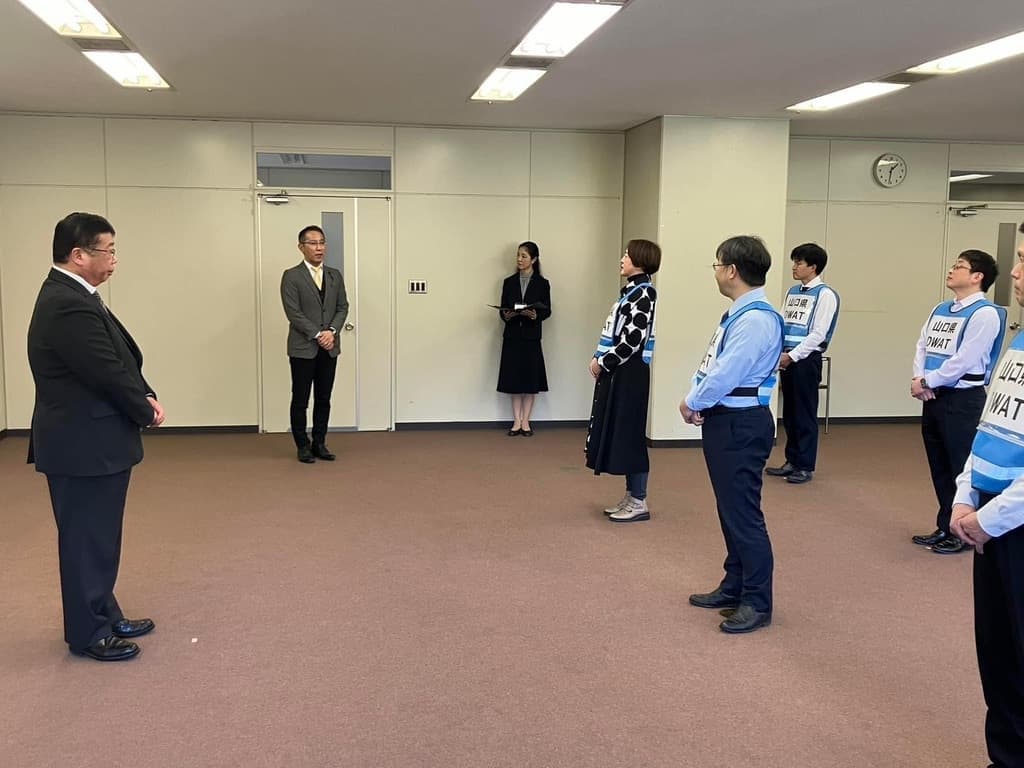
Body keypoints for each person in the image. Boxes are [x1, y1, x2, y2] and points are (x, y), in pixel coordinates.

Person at [27, 212, 165, 662]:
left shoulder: (76, 295)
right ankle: (88, 633)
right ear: (78, 255)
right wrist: (143, 408)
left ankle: (105, 612)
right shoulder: (66, 303)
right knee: (86, 541)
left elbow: (119, 358)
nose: (114, 259)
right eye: (108, 251)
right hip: (82, 445)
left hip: (92, 441)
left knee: (99, 537)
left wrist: (145, 392)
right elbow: (104, 371)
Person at [950, 221, 1024, 767]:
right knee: (998, 654)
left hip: (1009, 522)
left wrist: (990, 518)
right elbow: (991, 427)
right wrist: (963, 497)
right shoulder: (1018, 341)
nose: (1015, 273)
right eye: (1017, 258)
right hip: (991, 520)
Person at [682, 235, 783, 634]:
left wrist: (692, 401)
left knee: (743, 513)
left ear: (732, 271)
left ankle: (757, 601)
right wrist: (701, 400)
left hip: (741, 424)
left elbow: (727, 372)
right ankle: (735, 584)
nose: (716, 272)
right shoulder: (739, 314)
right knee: (729, 508)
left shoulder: (755, 319)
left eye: (717, 264)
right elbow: (715, 364)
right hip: (727, 419)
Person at [911, 249, 1006, 554]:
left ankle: (964, 532)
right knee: (939, 464)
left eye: (959, 266)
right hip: (934, 396)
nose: (951, 270)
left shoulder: (985, 313)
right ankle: (944, 525)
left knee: (959, 467)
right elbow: (923, 345)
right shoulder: (940, 309)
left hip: (962, 399)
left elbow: (964, 359)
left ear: (977, 277)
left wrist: (928, 381)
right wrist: (920, 379)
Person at [587, 239, 661, 523]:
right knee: (622, 432)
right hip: (620, 370)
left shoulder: (645, 293)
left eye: (627, 255)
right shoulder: (632, 291)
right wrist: (599, 358)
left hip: (630, 373)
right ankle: (632, 495)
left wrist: (603, 362)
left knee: (631, 435)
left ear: (640, 261)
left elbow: (632, 340)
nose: (622, 259)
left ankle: (639, 499)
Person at [766, 243, 840, 484]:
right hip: (787, 358)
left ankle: (805, 465)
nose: (794, 267)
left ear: (813, 267)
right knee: (790, 412)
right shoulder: (792, 292)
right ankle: (792, 460)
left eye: (799, 262)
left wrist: (793, 356)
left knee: (805, 413)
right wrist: (779, 353)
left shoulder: (825, 295)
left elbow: (819, 333)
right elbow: (782, 322)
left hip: (805, 360)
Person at [280, 225, 349, 463]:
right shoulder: (292, 276)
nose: (319, 248)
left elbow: (342, 307)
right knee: (300, 399)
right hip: (303, 348)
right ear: (301, 247)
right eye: (313, 243)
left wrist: (332, 332)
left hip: (329, 348)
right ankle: (303, 445)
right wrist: (318, 334)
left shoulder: (334, 275)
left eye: (322, 242)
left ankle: (320, 442)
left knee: (323, 398)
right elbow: (293, 313)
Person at [496, 241, 551, 436]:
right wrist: (506, 315)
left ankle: (526, 421)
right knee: (514, 380)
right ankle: (516, 421)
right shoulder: (509, 282)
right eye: (518, 255)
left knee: (529, 381)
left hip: (531, 337)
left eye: (524, 256)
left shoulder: (542, 283)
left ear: (533, 259)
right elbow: (502, 308)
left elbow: (547, 310)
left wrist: (535, 315)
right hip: (512, 336)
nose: (519, 259)